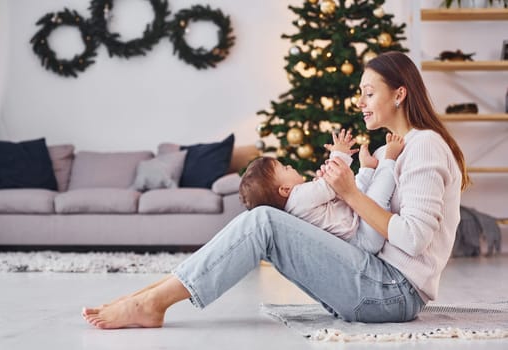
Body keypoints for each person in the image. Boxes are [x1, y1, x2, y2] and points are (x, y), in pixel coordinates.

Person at [82, 51, 470, 328]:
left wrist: (350, 192)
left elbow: (415, 239)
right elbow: (361, 219)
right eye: (361, 93)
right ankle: (150, 295)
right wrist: (351, 188)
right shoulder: (387, 151)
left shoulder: (425, 145)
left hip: (392, 292)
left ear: (399, 94)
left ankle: (152, 302)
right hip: (374, 276)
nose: (361, 102)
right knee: (266, 221)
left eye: (369, 92)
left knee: (264, 221)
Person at [238, 129, 404, 254]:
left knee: (352, 194)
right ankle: (390, 159)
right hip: (363, 238)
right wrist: (339, 153)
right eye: (285, 168)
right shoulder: (298, 198)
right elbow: (332, 184)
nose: (290, 166)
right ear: (285, 190)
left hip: (356, 223)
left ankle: (367, 169)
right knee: (375, 198)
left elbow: (343, 190)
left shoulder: (295, 205)